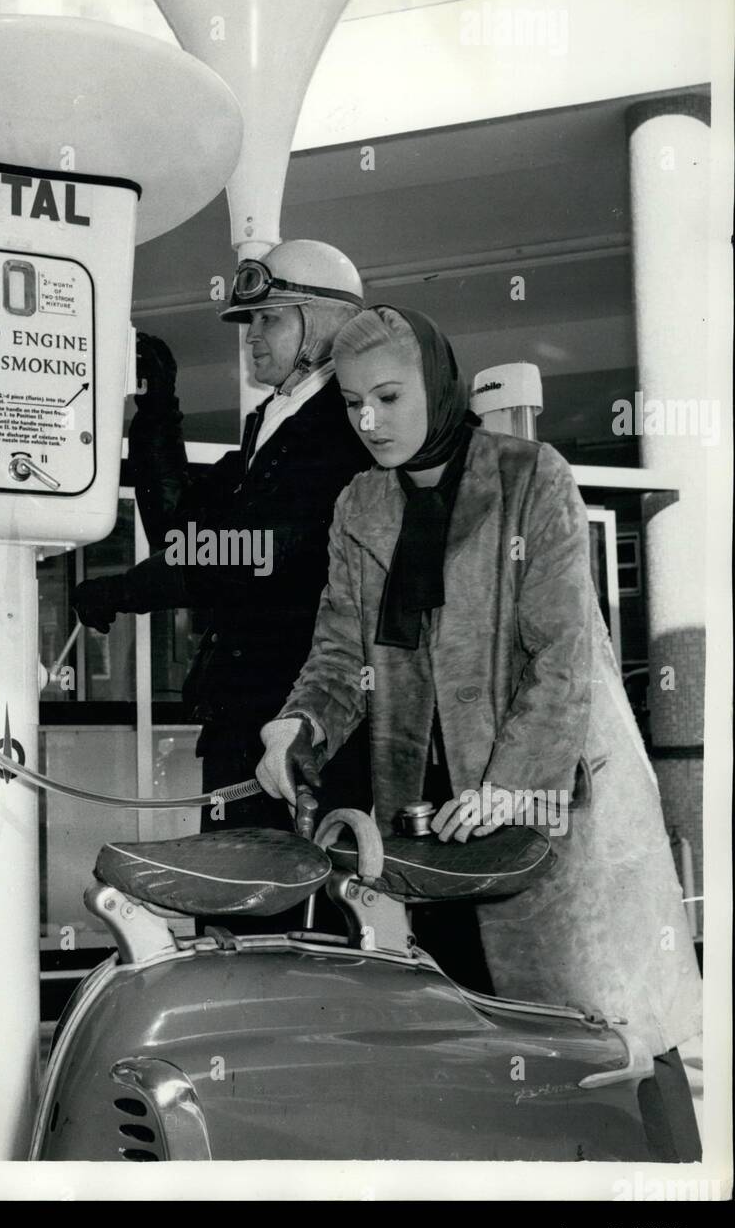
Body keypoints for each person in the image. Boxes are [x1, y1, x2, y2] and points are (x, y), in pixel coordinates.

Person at [256, 304, 703, 1159]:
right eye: (352, 404)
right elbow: (342, 650)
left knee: (608, 1041)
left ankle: (662, 1218)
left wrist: (509, 785)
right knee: (475, 1048)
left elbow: (562, 654)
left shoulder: (533, 476)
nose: (369, 422)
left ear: (438, 381)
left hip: (556, 807)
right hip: (433, 825)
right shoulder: (361, 504)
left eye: (388, 396)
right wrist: (299, 724)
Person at [72, 240, 373, 854]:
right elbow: (185, 532)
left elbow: (247, 554)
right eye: (248, 321)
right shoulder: (275, 422)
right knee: (241, 905)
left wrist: (126, 589)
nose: (251, 336)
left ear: (322, 323)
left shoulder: (340, 427)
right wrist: (158, 410)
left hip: (299, 721)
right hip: (251, 714)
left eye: (270, 318)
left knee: (281, 910)